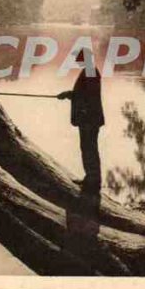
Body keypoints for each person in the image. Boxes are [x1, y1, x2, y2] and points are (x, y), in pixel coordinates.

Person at [57, 48, 105, 188]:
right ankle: (91, 178)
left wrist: (69, 95)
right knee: (88, 148)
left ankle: (93, 180)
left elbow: (87, 96)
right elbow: (82, 93)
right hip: (89, 119)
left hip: (89, 119)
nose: (76, 60)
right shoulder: (89, 70)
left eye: (78, 58)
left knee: (89, 148)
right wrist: (68, 94)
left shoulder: (90, 71)